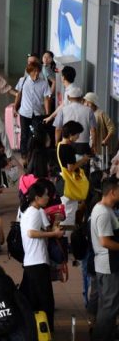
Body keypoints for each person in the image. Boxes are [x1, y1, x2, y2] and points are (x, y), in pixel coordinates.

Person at [18, 181, 64, 329]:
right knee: (45, 301)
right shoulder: (35, 212)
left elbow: (47, 228)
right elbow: (31, 232)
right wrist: (54, 233)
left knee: (33, 299)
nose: (48, 198)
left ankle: (35, 329)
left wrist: (56, 222)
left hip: (33, 262)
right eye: (45, 195)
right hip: (37, 262)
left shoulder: (31, 211)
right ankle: (45, 330)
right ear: (37, 197)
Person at [90, 176, 119, 341]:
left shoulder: (103, 209)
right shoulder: (103, 213)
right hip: (108, 266)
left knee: (107, 305)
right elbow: (105, 241)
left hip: (106, 265)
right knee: (109, 307)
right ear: (113, 192)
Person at [56, 121, 91, 225]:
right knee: (69, 215)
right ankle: (67, 238)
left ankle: (64, 237)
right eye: (77, 134)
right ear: (71, 134)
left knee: (65, 212)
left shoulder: (59, 146)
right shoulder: (68, 148)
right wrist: (83, 160)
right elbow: (70, 168)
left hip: (61, 182)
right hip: (69, 184)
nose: (78, 137)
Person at [14, 61, 51, 157]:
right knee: (24, 134)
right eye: (33, 71)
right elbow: (18, 95)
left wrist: (47, 114)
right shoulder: (22, 80)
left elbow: (46, 99)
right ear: (29, 72)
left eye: (37, 71)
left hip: (38, 113)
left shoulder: (44, 83)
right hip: (24, 112)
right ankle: (24, 154)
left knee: (36, 134)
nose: (36, 73)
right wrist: (15, 107)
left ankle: (33, 153)